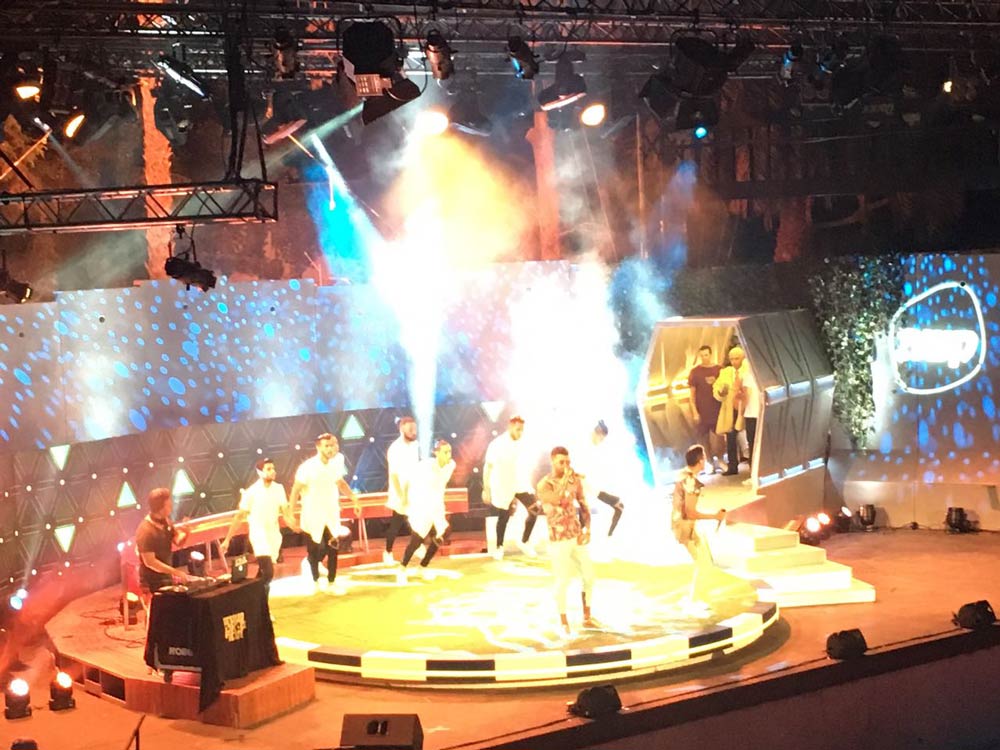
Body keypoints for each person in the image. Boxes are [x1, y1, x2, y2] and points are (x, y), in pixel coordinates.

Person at [289, 433, 360, 594]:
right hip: (312, 515)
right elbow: (295, 491)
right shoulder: (307, 467)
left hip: (331, 514)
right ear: (318, 447)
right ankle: (315, 580)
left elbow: (341, 484)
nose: (330, 449)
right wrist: (291, 514)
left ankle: (331, 582)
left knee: (333, 548)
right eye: (326, 446)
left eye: (332, 445)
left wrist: (354, 499)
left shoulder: (335, 465)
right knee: (314, 550)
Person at [536, 446, 596, 634]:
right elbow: (557, 499)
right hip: (558, 539)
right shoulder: (544, 484)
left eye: (568, 462)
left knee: (589, 576)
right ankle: (564, 621)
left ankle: (587, 616)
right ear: (552, 461)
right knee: (563, 580)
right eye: (561, 462)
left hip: (576, 535)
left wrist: (587, 529)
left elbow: (583, 504)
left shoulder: (574, 481)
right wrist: (565, 480)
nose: (566, 465)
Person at [220, 458, 295, 596]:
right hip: (258, 535)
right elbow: (239, 516)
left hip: (274, 535)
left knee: (263, 574)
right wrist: (227, 539)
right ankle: (259, 600)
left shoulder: (279, 489)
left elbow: (285, 511)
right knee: (268, 572)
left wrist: (292, 523)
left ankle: (256, 600)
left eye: (273, 468)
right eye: (268, 469)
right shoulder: (251, 492)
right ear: (260, 472)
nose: (273, 471)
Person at [671, 445, 726, 606]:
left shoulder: (682, 475)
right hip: (685, 526)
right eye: (704, 457)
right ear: (700, 461)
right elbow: (690, 512)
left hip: (682, 524)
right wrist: (715, 516)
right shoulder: (690, 482)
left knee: (704, 561)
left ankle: (699, 598)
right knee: (703, 563)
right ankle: (697, 600)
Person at [483, 416, 540, 558]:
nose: (520, 433)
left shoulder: (524, 443)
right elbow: (488, 467)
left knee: (534, 509)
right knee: (504, 517)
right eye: (518, 429)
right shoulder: (497, 444)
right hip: (503, 484)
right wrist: (486, 489)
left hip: (520, 482)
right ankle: (499, 547)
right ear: (510, 427)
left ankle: (524, 541)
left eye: (522, 430)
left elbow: (528, 462)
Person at [400, 440, 456, 580]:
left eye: (450, 451)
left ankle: (423, 566)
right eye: (445, 452)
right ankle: (402, 568)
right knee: (416, 540)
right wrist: (405, 498)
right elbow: (408, 479)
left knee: (444, 532)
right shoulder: (425, 465)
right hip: (422, 506)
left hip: (437, 507)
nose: (449, 455)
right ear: (436, 453)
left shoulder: (451, 465)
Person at [135, 488, 190, 613]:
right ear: (161, 507)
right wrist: (175, 572)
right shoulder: (145, 531)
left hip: (166, 578)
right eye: (169, 505)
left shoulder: (166, 522)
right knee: (155, 616)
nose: (171, 507)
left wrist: (186, 532)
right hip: (150, 582)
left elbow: (178, 541)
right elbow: (150, 562)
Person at [713, 345, 755, 476]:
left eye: (737, 358)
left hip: (746, 408)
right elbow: (717, 389)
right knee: (730, 438)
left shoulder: (748, 370)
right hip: (731, 409)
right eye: (731, 359)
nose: (734, 361)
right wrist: (721, 392)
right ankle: (732, 466)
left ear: (743, 358)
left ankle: (753, 466)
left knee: (751, 438)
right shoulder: (725, 372)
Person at [580, 421, 625, 538]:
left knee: (619, 507)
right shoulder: (584, 446)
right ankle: (607, 536)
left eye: (603, 439)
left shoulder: (594, 449)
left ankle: (609, 536)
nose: (602, 441)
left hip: (593, 489)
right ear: (597, 433)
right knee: (584, 517)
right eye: (602, 438)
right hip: (586, 488)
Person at [384, 416, 420, 564]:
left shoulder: (415, 445)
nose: (413, 432)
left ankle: (418, 546)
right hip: (399, 491)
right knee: (396, 524)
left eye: (414, 429)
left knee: (417, 520)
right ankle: (387, 551)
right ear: (401, 429)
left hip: (414, 489)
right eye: (410, 429)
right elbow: (393, 475)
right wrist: (401, 496)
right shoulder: (395, 448)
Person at [688, 345, 724, 473]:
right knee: (703, 439)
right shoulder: (695, 372)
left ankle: (720, 459)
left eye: (706, 355)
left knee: (719, 438)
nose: (704, 358)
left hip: (717, 410)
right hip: (702, 411)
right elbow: (692, 395)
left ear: (710, 354)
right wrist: (695, 412)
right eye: (702, 355)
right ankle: (709, 463)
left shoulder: (719, 370)